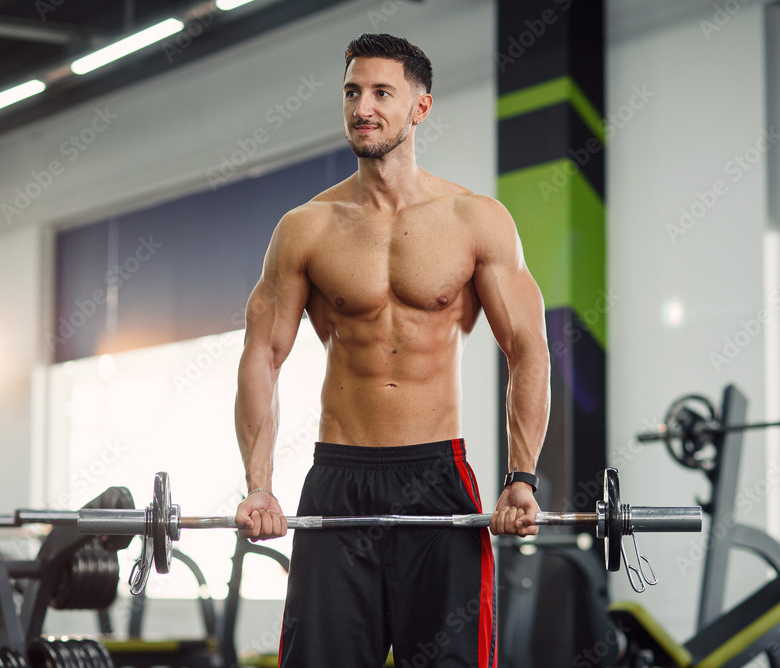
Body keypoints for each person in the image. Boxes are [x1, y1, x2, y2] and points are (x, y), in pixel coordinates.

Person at [233, 33, 550, 667]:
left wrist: (520, 478)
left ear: (420, 108)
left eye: (382, 92)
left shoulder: (475, 220)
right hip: (338, 480)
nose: (363, 108)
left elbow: (528, 350)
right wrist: (259, 486)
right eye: (353, 92)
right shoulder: (306, 229)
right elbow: (262, 358)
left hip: (437, 478)